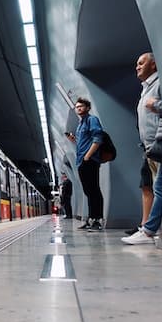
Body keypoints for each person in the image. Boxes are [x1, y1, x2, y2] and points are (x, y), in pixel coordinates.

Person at [122, 52, 162, 244]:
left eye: (141, 63)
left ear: (154, 65)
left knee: (159, 188)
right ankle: (150, 228)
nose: (137, 67)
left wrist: (155, 104)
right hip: (149, 148)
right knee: (154, 187)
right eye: (137, 64)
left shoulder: (160, 85)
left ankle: (149, 230)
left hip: (160, 145)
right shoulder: (145, 89)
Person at [66, 97, 104, 231]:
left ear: (88, 108)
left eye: (81, 106)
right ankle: (91, 219)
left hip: (90, 160)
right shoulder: (80, 125)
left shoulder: (91, 120)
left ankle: (98, 220)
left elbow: (98, 139)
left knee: (94, 190)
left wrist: (88, 156)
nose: (79, 108)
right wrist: (73, 140)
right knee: (88, 191)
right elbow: (82, 143)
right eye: (77, 107)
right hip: (81, 161)